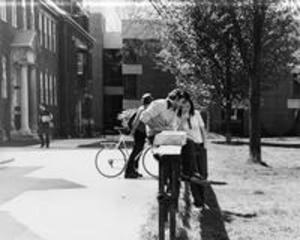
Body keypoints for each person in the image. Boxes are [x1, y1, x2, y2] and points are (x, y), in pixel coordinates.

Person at [177, 94, 208, 208]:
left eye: (188, 105)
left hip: (199, 145)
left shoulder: (197, 114)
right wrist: (183, 120)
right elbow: (177, 132)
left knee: (203, 172)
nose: (186, 108)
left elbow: (202, 129)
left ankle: (202, 198)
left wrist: (205, 144)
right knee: (194, 173)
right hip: (188, 147)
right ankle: (198, 200)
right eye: (183, 106)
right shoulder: (178, 116)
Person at [124, 93, 153, 179]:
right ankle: (128, 172)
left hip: (141, 133)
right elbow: (136, 122)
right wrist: (132, 131)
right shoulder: (143, 109)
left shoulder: (143, 108)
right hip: (139, 133)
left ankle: (134, 171)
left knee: (138, 153)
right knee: (135, 152)